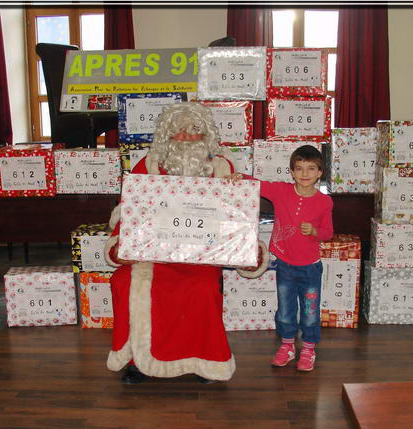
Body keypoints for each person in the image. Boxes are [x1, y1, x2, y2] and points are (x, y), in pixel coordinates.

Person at [103, 102, 269, 384]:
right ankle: (137, 359)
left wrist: (249, 250)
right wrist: (120, 246)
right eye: (179, 131)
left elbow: (237, 218)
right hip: (154, 257)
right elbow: (129, 212)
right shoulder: (148, 166)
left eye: (195, 131)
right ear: (167, 136)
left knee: (202, 288)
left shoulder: (222, 168)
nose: (187, 137)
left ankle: (202, 361)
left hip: (200, 258)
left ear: (206, 136)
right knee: (124, 282)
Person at [229, 145, 333, 372]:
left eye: (311, 168)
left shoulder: (324, 202)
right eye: (299, 168)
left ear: (320, 173)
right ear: (292, 172)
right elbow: (259, 185)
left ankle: (308, 348)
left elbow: (328, 232)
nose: (305, 174)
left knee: (310, 310)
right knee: (285, 310)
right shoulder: (281, 192)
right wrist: (241, 176)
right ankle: (287, 346)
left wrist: (315, 231)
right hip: (285, 264)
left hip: (310, 268)